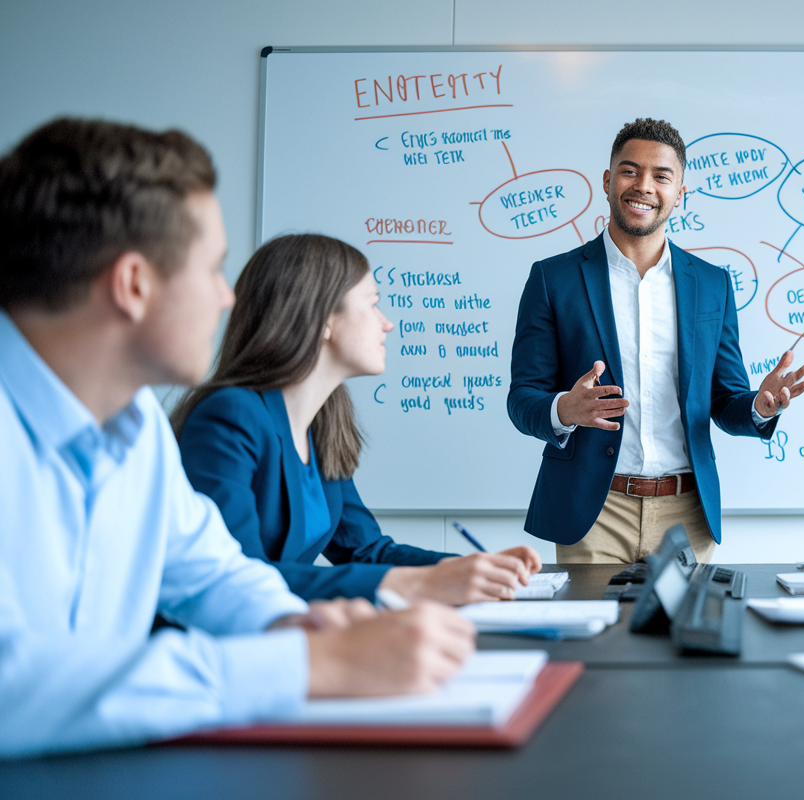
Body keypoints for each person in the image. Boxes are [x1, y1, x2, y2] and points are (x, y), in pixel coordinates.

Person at [0, 119, 475, 758]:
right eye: (215, 269)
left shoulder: (135, 430)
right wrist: (309, 666)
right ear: (134, 285)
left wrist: (297, 625)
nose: (229, 297)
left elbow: (210, 573)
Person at [173, 234, 541, 604]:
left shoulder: (322, 425)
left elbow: (365, 551)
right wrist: (412, 585)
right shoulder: (230, 416)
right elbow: (237, 577)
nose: (387, 324)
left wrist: (473, 569)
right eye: (373, 305)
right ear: (323, 321)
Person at [507, 118, 804, 564]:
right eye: (630, 171)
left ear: (679, 193)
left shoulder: (712, 285)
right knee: (593, 636)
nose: (643, 186)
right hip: (593, 513)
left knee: (686, 636)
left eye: (661, 176)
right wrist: (563, 411)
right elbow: (523, 399)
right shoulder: (553, 279)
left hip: (686, 514)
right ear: (609, 181)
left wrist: (757, 408)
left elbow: (725, 399)